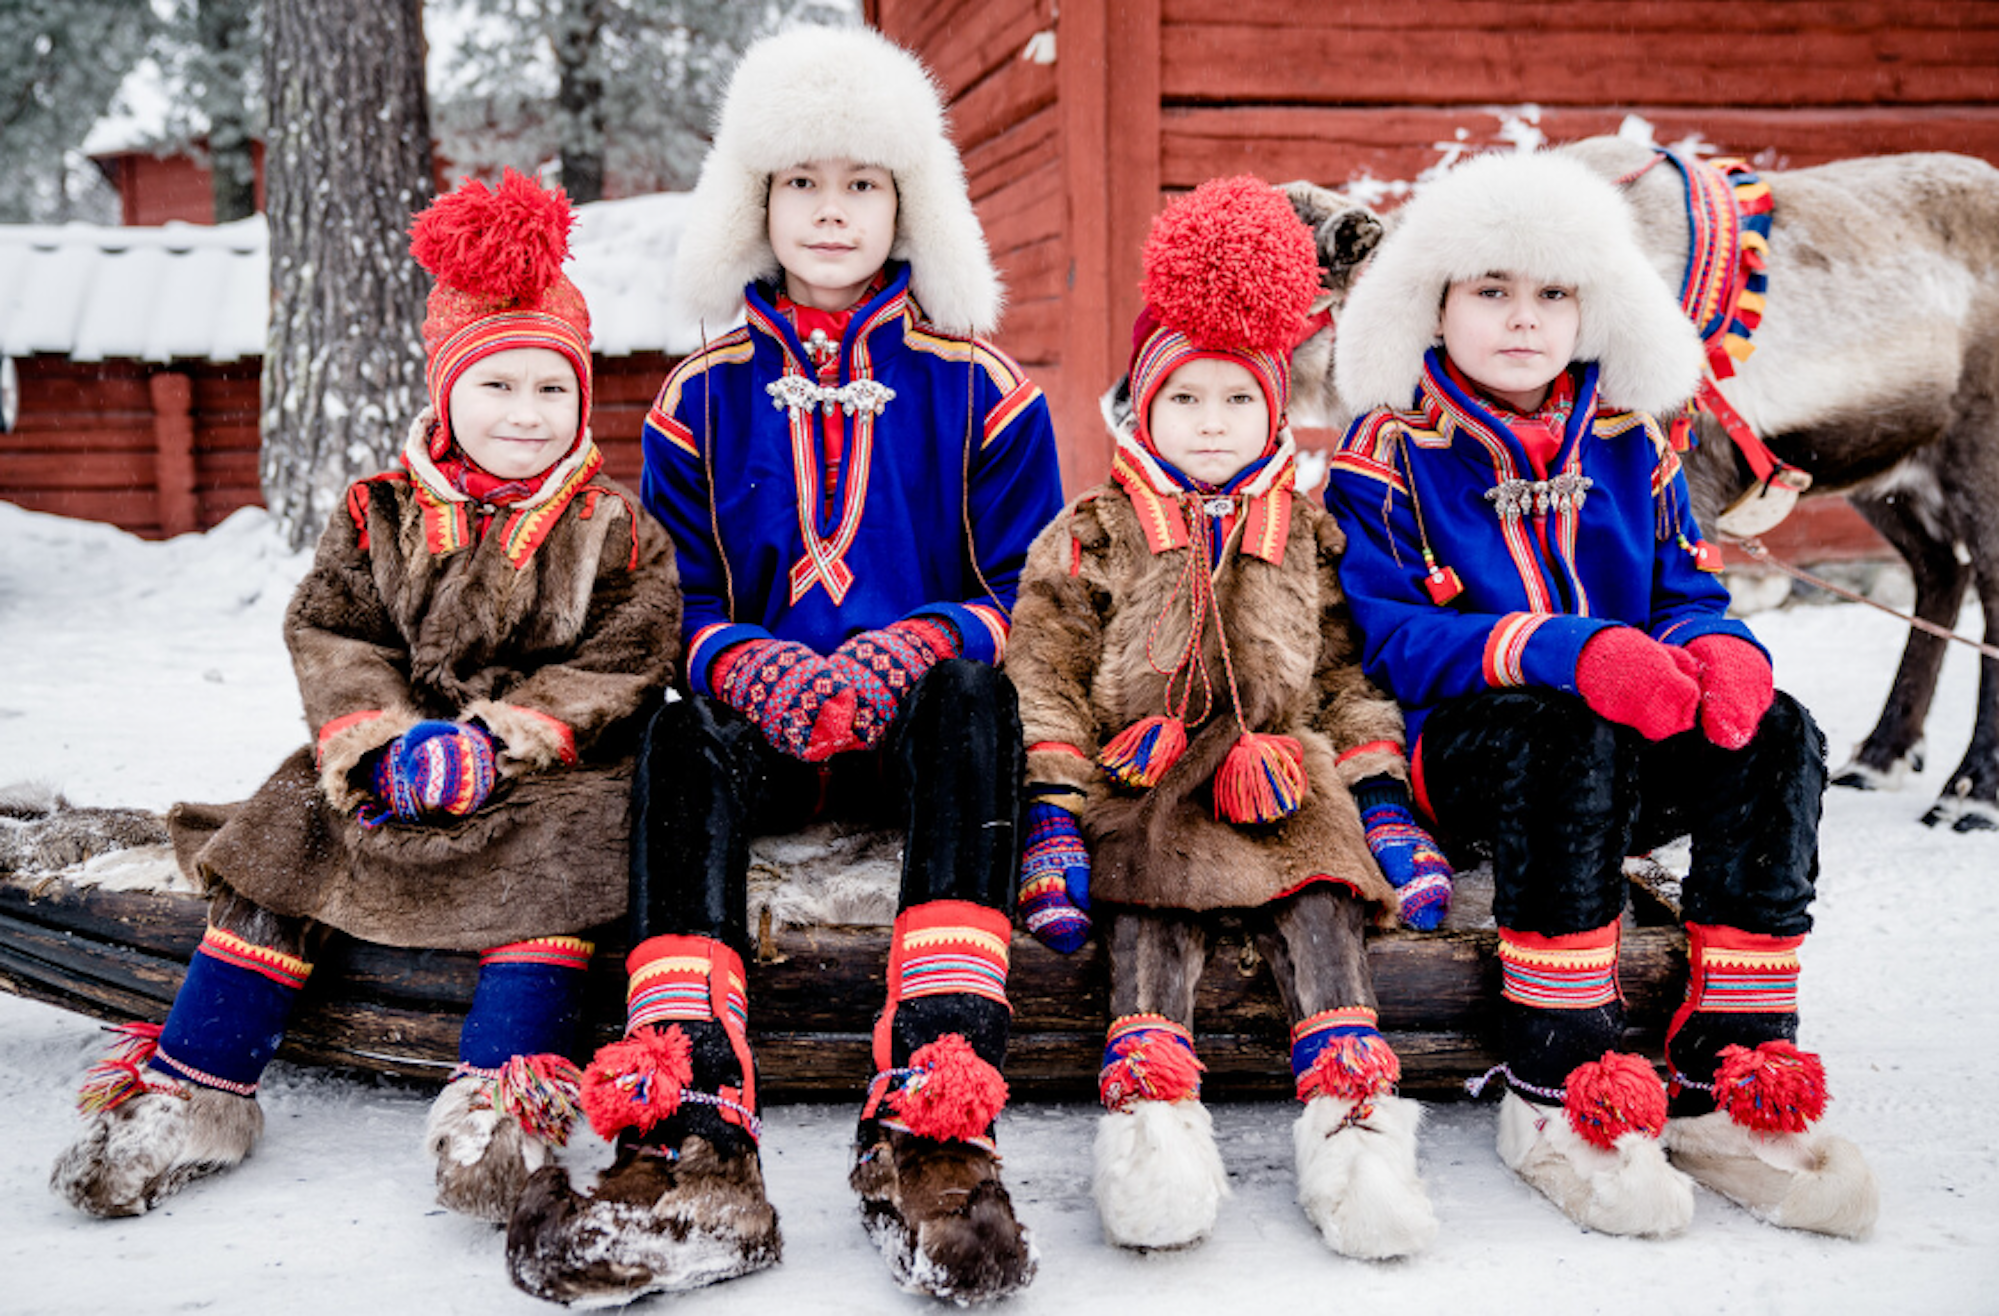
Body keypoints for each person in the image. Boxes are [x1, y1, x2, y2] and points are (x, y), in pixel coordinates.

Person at [501, 26, 1065, 1307]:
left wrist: (916, 642)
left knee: (976, 691)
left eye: (861, 183)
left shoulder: (984, 388)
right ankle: (689, 1126)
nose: (829, 210)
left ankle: (935, 1113)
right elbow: (676, 598)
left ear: (907, 200)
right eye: (801, 182)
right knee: (677, 726)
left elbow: (1029, 589)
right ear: (755, 201)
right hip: (759, 728)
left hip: (921, 730)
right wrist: (741, 658)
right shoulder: (698, 396)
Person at [49, 172, 682, 1232]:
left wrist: (505, 738)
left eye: (551, 390)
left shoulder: (614, 527)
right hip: (399, 755)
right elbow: (334, 630)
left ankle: (500, 1093)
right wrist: (380, 740)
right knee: (286, 825)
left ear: (581, 399)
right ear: (445, 393)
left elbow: (630, 653)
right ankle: (200, 1084)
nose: (525, 415)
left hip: (551, 770)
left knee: (563, 860)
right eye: (498, 387)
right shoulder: (379, 512)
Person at [1323, 149, 1879, 1239]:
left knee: (1774, 730)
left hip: (1633, 731)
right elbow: (1390, 639)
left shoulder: (1636, 436)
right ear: (1433, 300)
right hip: (1479, 755)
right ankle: (1559, 1077)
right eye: (1491, 289)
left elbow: (1683, 583)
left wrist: (1717, 643)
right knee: (1567, 727)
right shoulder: (1386, 449)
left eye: (1553, 292)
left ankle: (1733, 1062)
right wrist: (1561, 650)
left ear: (1595, 304)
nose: (1523, 320)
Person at [1004, 176, 1451, 1261]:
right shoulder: (1094, 529)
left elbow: (1343, 672)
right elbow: (1047, 668)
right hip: (1140, 771)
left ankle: (1351, 1118)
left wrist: (1382, 799)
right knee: (1150, 902)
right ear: (1143, 409)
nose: (1212, 424)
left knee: (1327, 895)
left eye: (1237, 401)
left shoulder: (1306, 530)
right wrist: (1057, 811)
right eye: (1186, 401)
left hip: (1280, 772)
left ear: (1273, 409)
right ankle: (1153, 1112)